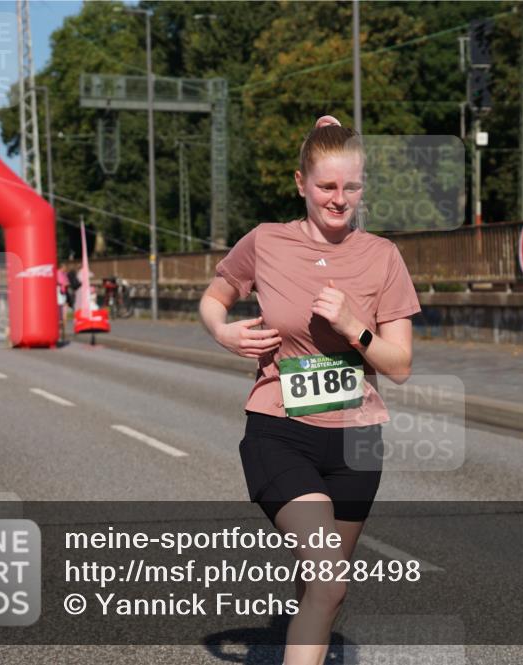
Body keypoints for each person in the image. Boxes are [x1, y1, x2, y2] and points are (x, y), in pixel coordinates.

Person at [199, 115, 420, 664]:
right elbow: (214, 298)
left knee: (318, 589)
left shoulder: (383, 256)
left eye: (351, 186)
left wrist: (354, 326)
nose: (339, 199)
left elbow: (399, 365)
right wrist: (223, 333)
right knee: (329, 582)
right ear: (301, 183)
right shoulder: (266, 242)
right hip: (281, 432)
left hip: (356, 442)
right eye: (326, 186)